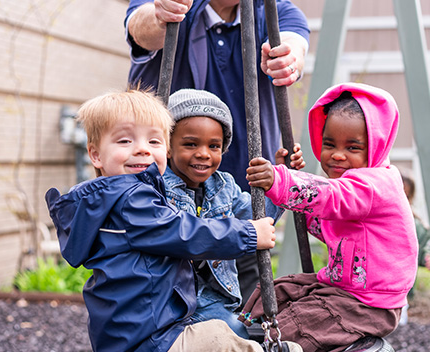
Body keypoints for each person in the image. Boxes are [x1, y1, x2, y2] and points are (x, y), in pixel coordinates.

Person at [44, 89, 302, 352]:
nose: (142, 149)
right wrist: (247, 235)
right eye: (125, 141)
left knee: (232, 331)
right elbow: (182, 231)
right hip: (149, 332)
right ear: (96, 155)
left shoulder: (212, 187)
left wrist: (278, 184)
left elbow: (258, 219)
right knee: (222, 338)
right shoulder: (131, 199)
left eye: (153, 142)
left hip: (154, 321)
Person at [124, 0, 310, 302]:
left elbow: (294, 42)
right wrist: (163, 14)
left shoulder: (273, 12)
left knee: (248, 312)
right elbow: (141, 27)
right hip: (163, 207)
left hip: (243, 210)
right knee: (167, 311)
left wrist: (290, 57)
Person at [242, 82, 419, 351]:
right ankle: (246, 329)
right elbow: (323, 222)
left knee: (294, 325)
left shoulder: (374, 184)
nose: (337, 155)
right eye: (329, 144)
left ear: (376, 147)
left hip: (370, 304)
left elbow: (329, 197)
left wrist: (280, 180)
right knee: (281, 291)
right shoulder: (353, 189)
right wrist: (284, 174)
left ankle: (276, 344)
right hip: (343, 289)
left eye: (353, 148)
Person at [164, 88, 304, 339]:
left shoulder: (223, 186)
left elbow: (259, 218)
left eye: (214, 146)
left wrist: (282, 180)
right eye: (190, 144)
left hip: (212, 299)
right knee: (230, 336)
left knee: (253, 333)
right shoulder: (158, 188)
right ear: (167, 147)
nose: (203, 153)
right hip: (172, 300)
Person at [399, 172, 430, 325]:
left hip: (399, 292)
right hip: (367, 289)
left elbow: (428, 241)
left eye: (405, 196)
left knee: (396, 326)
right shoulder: (372, 217)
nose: (399, 200)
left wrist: (429, 254)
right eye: (396, 193)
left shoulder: (413, 225)